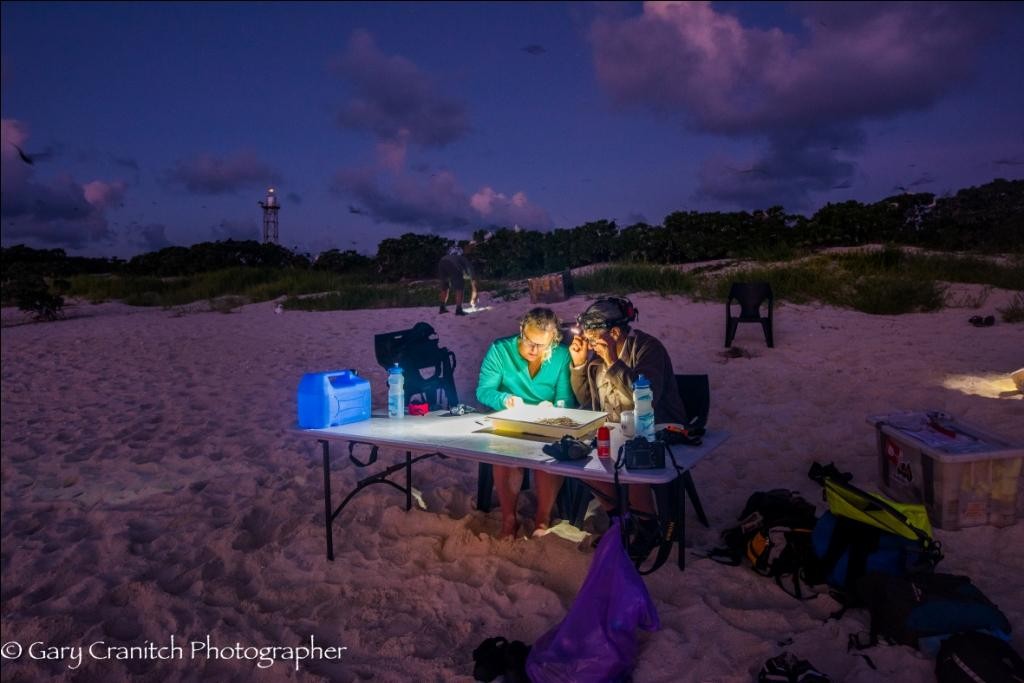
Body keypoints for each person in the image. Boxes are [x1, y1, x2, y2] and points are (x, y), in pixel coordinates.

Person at [567, 297, 686, 554]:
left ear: (615, 332)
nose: (588, 341)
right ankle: (619, 519)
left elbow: (647, 395)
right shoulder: (596, 356)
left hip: (656, 428)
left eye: (592, 335)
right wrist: (578, 365)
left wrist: (612, 361)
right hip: (614, 428)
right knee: (577, 459)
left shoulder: (647, 348)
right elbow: (587, 399)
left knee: (632, 458)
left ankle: (647, 526)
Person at [476, 307, 576, 538]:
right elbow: (483, 391)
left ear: (554, 340)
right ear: (522, 331)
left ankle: (543, 517)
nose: (534, 350)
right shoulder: (500, 350)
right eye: (529, 341)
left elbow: (565, 398)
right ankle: (509, 518)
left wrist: (554, 407)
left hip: (546, 421)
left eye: (542, 345)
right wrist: (505, 399)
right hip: (511, 418)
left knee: (549, 455)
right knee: (504, 456)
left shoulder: (560, 356)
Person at [438, 246, 478, 316]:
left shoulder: (446, 256)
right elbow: (472, 274)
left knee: (444, 286)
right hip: (453, 265)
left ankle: (442, 308)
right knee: (459, 287)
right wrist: (475, 291)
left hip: (442, 262)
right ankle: (458, 309)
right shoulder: (462, 258)